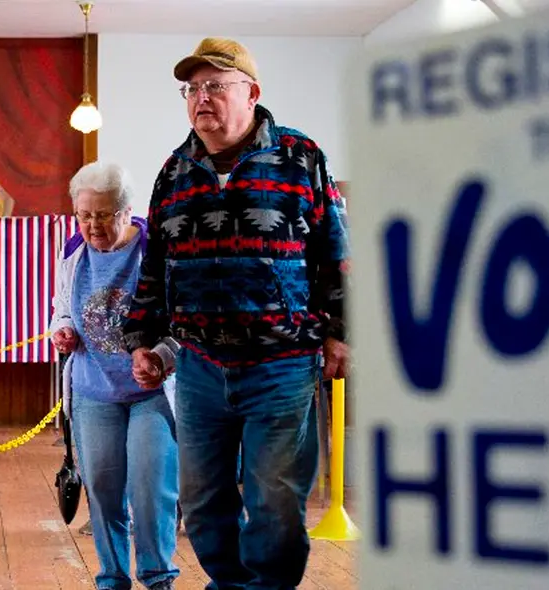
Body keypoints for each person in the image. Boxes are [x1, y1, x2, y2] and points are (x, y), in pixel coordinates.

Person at [122, 38, 350, 590]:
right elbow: (155, 264)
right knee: (201, 501)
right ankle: (232, 584)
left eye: (215, 86)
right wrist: (142, 338)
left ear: (252, 93)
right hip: (199, 365)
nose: (201, 97)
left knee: (276, 501)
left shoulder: (300, 157)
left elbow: (334, 252)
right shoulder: (174, 171)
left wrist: (343, 332)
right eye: (192, 88)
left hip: (282, 364)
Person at [51, 162, 180, 590]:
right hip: (93, 392)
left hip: (152, 393)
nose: (92, 226)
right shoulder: (73, 252)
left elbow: (186, 321)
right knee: (104, 494)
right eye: (84, 215)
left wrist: (162, 355)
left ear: (126, 211)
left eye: (103, 215)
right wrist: (62, 329)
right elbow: (62, 306)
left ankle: (158, 579)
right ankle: (112, 580)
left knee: (150, 491)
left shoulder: (156, 250)